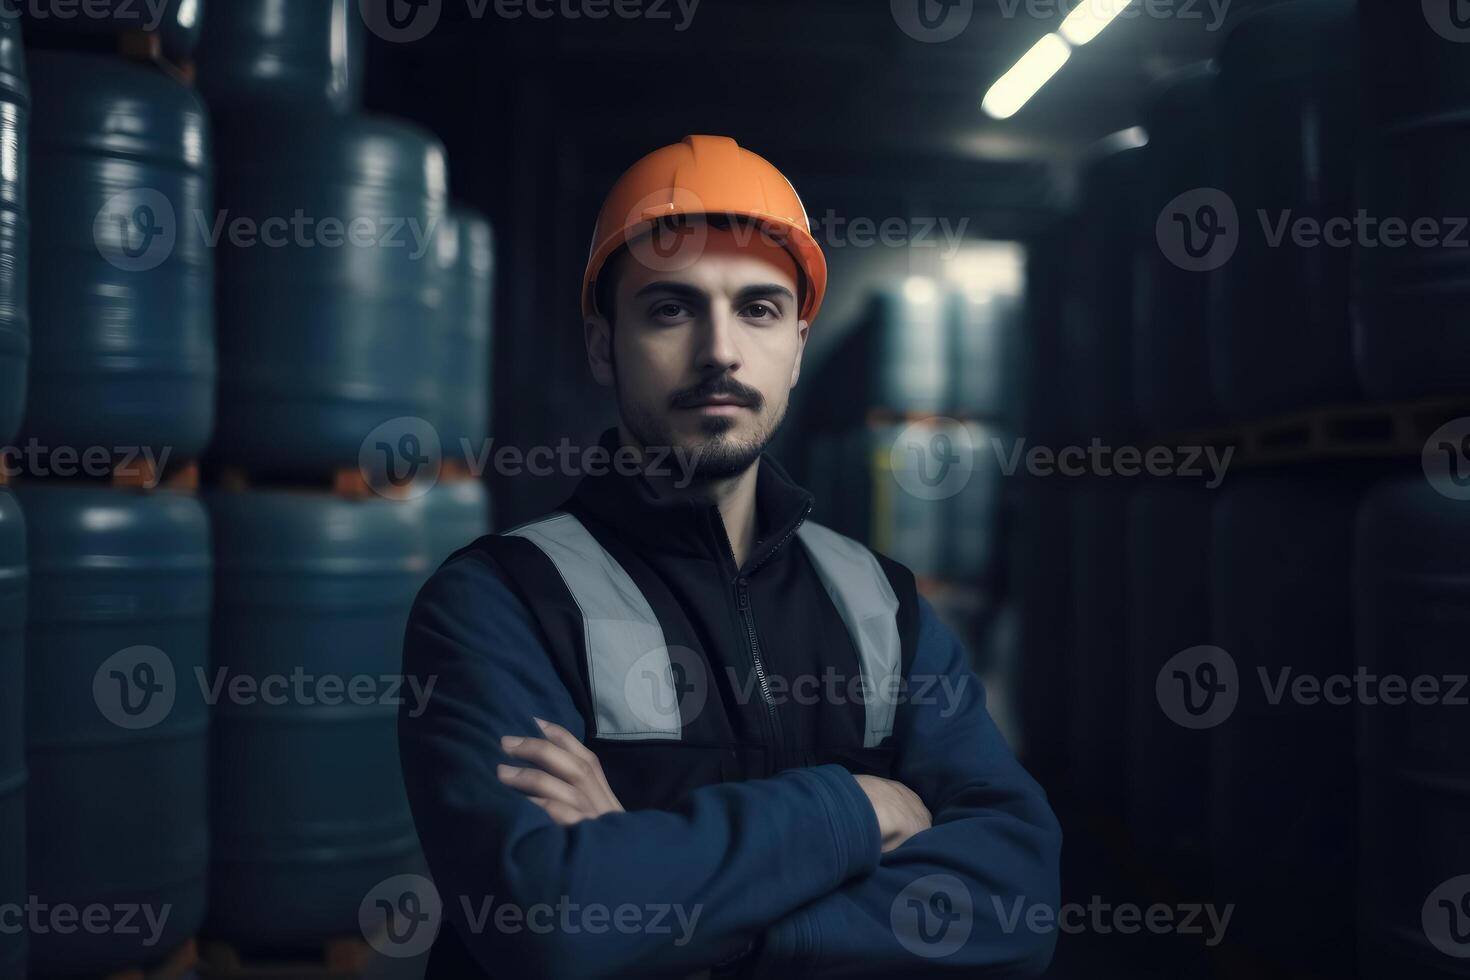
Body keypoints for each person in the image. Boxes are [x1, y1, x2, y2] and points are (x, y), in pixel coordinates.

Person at [398, 134, 1061, 978]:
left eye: (757, 309)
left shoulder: (883, 607)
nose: (720, 350)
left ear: (796, 346)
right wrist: (857, 809)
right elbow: (551, 925)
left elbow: (1019, 900)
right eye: (671, 309)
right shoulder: (497, 604)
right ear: (602, 345)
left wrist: (689, 915)